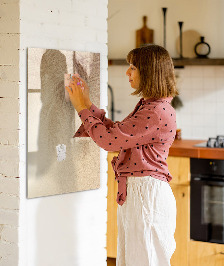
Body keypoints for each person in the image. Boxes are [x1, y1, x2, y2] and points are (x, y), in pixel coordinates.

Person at [65, 44, 178, 266]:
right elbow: (117, 133)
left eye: (133, 67)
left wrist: (81, 108)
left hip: (146, 195)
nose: (127, 72)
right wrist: (87, 104)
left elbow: (109, 141)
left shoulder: (155, 111)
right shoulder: (151, 106)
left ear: (149, 71)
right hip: (140, 193)